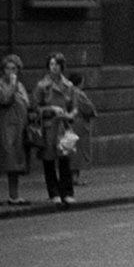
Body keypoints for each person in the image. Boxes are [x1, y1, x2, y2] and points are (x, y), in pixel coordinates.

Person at [34, 52, 79, 206]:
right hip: (48, 126)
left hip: (63, 126)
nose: (54, 67)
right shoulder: (42, 86)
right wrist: (51, 109)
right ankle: (54, 193)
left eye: (57, 64)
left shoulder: (69, 86)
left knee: (65, 159)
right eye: (52, 64)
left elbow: (74, 107)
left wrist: (69, 115)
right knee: (49, 160)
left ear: (62, 66)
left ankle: (67, 192)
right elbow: (35, 107)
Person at [0, 54, 30, 205]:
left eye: (14, 68)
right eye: (8, 68)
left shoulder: (20, 85)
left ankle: (14, 195)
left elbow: (26, 103)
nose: (11, 71)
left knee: (15, 162)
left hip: (17, 128)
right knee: (0, 160)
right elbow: (4, 99)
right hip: (3, 127)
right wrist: (12, 85)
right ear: (3, 70)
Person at [67, 71, 97, 182]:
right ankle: (77, 177)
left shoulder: (67, 92)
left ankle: (72, 177)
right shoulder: (79, 93)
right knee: (80, 151)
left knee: (72, 150)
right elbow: (89, 108)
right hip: (79, 123)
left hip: (69, 122)